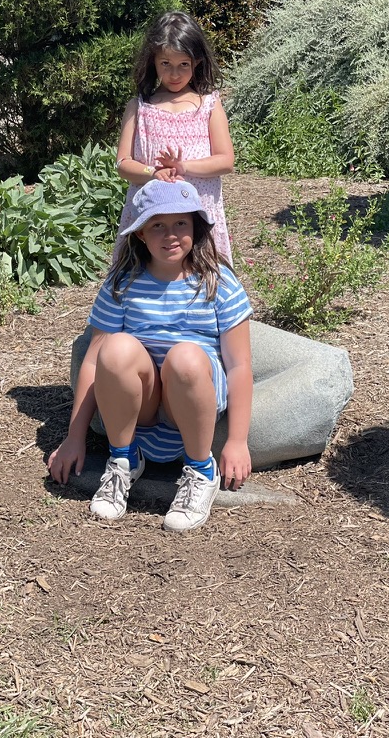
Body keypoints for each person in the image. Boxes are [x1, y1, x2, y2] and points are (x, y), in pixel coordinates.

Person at [47, 179, 253, 532]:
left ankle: (201, 470)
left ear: (196, 227)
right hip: (139, 408)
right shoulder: (123, 282)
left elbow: (239, 365)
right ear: (140, 233)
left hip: (191, 398)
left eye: (180, 223)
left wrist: (236, 441)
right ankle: (123, 459)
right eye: (157, 225)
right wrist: (74, 437)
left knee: (185, 357)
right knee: (115, 347)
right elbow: (93, 361)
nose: (170, 235)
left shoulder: (217, 282)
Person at [115, 10, 234, 263]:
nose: (175, 74)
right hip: (151, 219)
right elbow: (123, 163)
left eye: (184, 65)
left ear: (197, 62)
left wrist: (183, 167)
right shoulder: (139, 107)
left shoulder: (208, 105)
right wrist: (152, 172)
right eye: (166, 64)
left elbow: (225, 161)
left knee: (201, 275)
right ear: (153, 61)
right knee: (146, 276)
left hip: (198, 216)